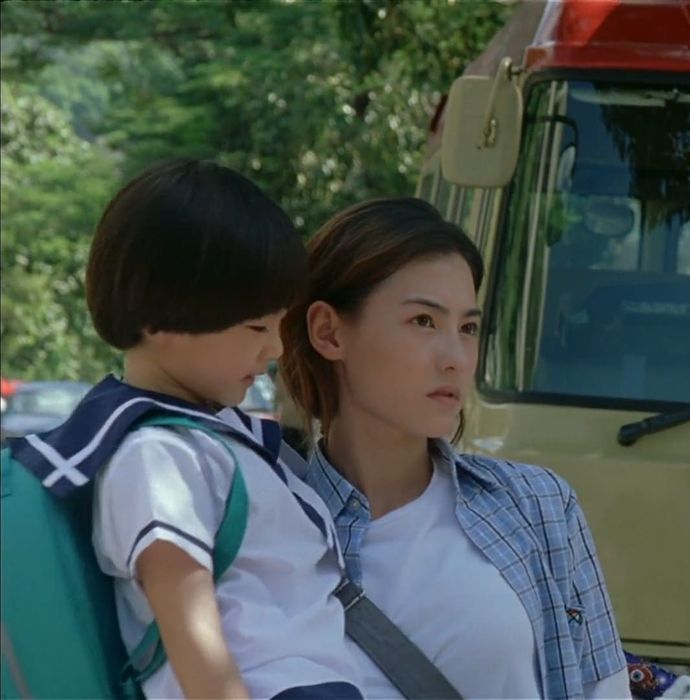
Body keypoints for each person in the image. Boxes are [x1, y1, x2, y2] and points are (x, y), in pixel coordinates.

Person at [7, 159, 363, 699]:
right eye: (256, 326)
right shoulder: (157, 457)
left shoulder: (203, 441)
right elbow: (197, 648)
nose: (274, 348)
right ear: (159, 317)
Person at [278, 197, 631, 699]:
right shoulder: (272, 529)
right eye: (424, 321)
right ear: (328, 332)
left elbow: (604, 690)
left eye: (468, 328)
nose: (456, 359)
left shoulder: (539, 505)